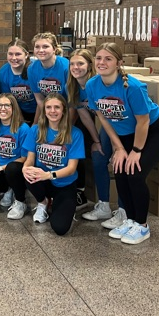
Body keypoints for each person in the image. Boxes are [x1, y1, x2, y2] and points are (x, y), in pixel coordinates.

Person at [86, 43, 159, 244]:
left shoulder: (132, 87)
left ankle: (142, 226)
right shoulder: (92, 85)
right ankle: (130, 219)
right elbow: (104, 119)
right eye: (98, 58)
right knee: (120, 170)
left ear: (119, 63)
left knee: (134, 173)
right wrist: (118, 148)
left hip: (155, 130)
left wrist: (136, 150)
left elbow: (143, 121)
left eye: (108, 59)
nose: (102, 62)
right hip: (125, 133)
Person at [18, 92, 84, 236]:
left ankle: (63, 206)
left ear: (64, 110)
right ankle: (43, 202)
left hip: (64, 184)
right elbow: (30, 158)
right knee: (28, 174)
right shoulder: (36, 130)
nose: (52, 111)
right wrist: (25, 168)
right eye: (48, 107)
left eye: (57, 107)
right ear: (44, 110)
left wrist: (48, 175)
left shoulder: (75, 133)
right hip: (42, 181)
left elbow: (72, 169)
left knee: (60, 228)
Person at [67, 48, 110, 216]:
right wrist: (96, 141)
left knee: (100, 157)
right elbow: (84, 116)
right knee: (89, 150)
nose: (75, 67)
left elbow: (107, 117)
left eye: (80, 63)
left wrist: (107, 143)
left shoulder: (98, 83)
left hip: (112, 123)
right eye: (72, 64)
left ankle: (107, 204)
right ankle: (85, 194)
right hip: (94, 124)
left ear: (90, 65)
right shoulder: (72, 85)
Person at [0, 39, 37, 124]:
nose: (14, 58)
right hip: (19, 111)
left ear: (26, 55)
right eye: (10, 54)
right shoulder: (3, 72)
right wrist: (21, 121)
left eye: (18, 54)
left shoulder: (35, 68)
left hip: (40, 110)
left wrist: (36, 123)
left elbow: (42, 99)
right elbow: (10, 100)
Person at [28, 32, 70, 114]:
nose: (41, 50)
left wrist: (66, 123)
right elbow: (39, 98)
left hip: (68, 109)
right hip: (50, 111)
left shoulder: (66, 67)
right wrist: (48, 116)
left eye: (45, 46)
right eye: (37, 47)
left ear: (54, 49)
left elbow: (72, 101)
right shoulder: (32, 69)